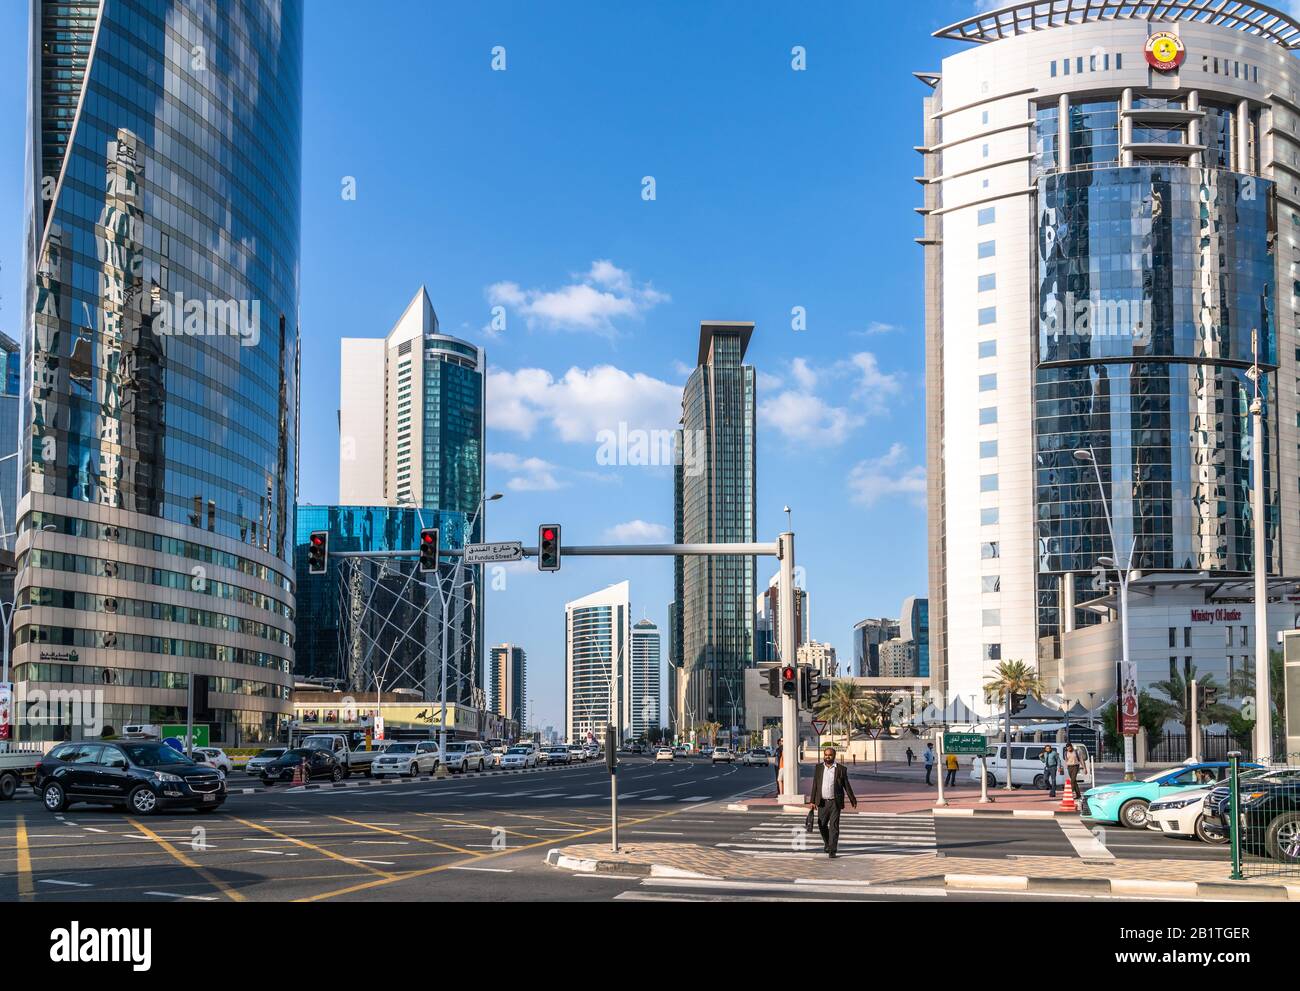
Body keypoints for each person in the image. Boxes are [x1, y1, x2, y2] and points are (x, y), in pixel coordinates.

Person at [805, 745, 858, 858]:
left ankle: (832, 850)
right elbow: (815, 784)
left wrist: (852, 799)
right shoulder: (819, 768)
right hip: (822, 802)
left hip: (835, 802)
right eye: (826, 755)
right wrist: (812, 801)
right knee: (822, 824)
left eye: (830, 755)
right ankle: (828, 843)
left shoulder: (840, 769)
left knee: (834, 826)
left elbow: (846, 785)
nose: (828, 757)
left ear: (834, 756)